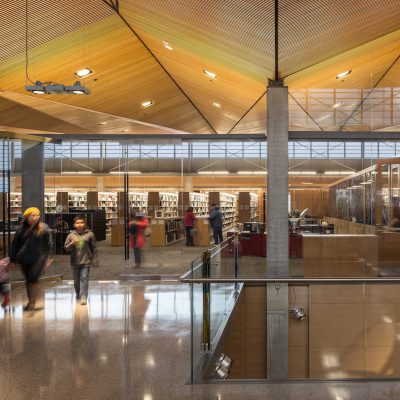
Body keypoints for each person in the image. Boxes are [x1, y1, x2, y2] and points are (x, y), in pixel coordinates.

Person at [10, 207, 53, 311]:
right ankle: (31, 300)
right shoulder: (21, 229)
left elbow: (49, 243)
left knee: (33, 279)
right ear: (27, 216)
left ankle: (32, 302)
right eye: (32, 215)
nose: (35, 217)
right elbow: (15, 245)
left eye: (37, 215)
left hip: (38, 258)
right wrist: (13, 260)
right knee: (28, 279)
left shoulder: (44, 228)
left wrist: (49, 257)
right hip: (24, 258)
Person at [64, 216, 98, 305]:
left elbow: (94, 247)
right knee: (76, 280)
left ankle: (84, 296)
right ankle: (78, 294)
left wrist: (95, 259)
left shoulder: (90, 234)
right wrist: (72, 243)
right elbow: (66, 249)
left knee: (84, 278)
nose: (79, 225)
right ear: (74, 225)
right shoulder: (70, 235)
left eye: (81, 223)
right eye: (77, 223)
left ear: (85, 224)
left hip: (86, 261)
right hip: (75, 262)